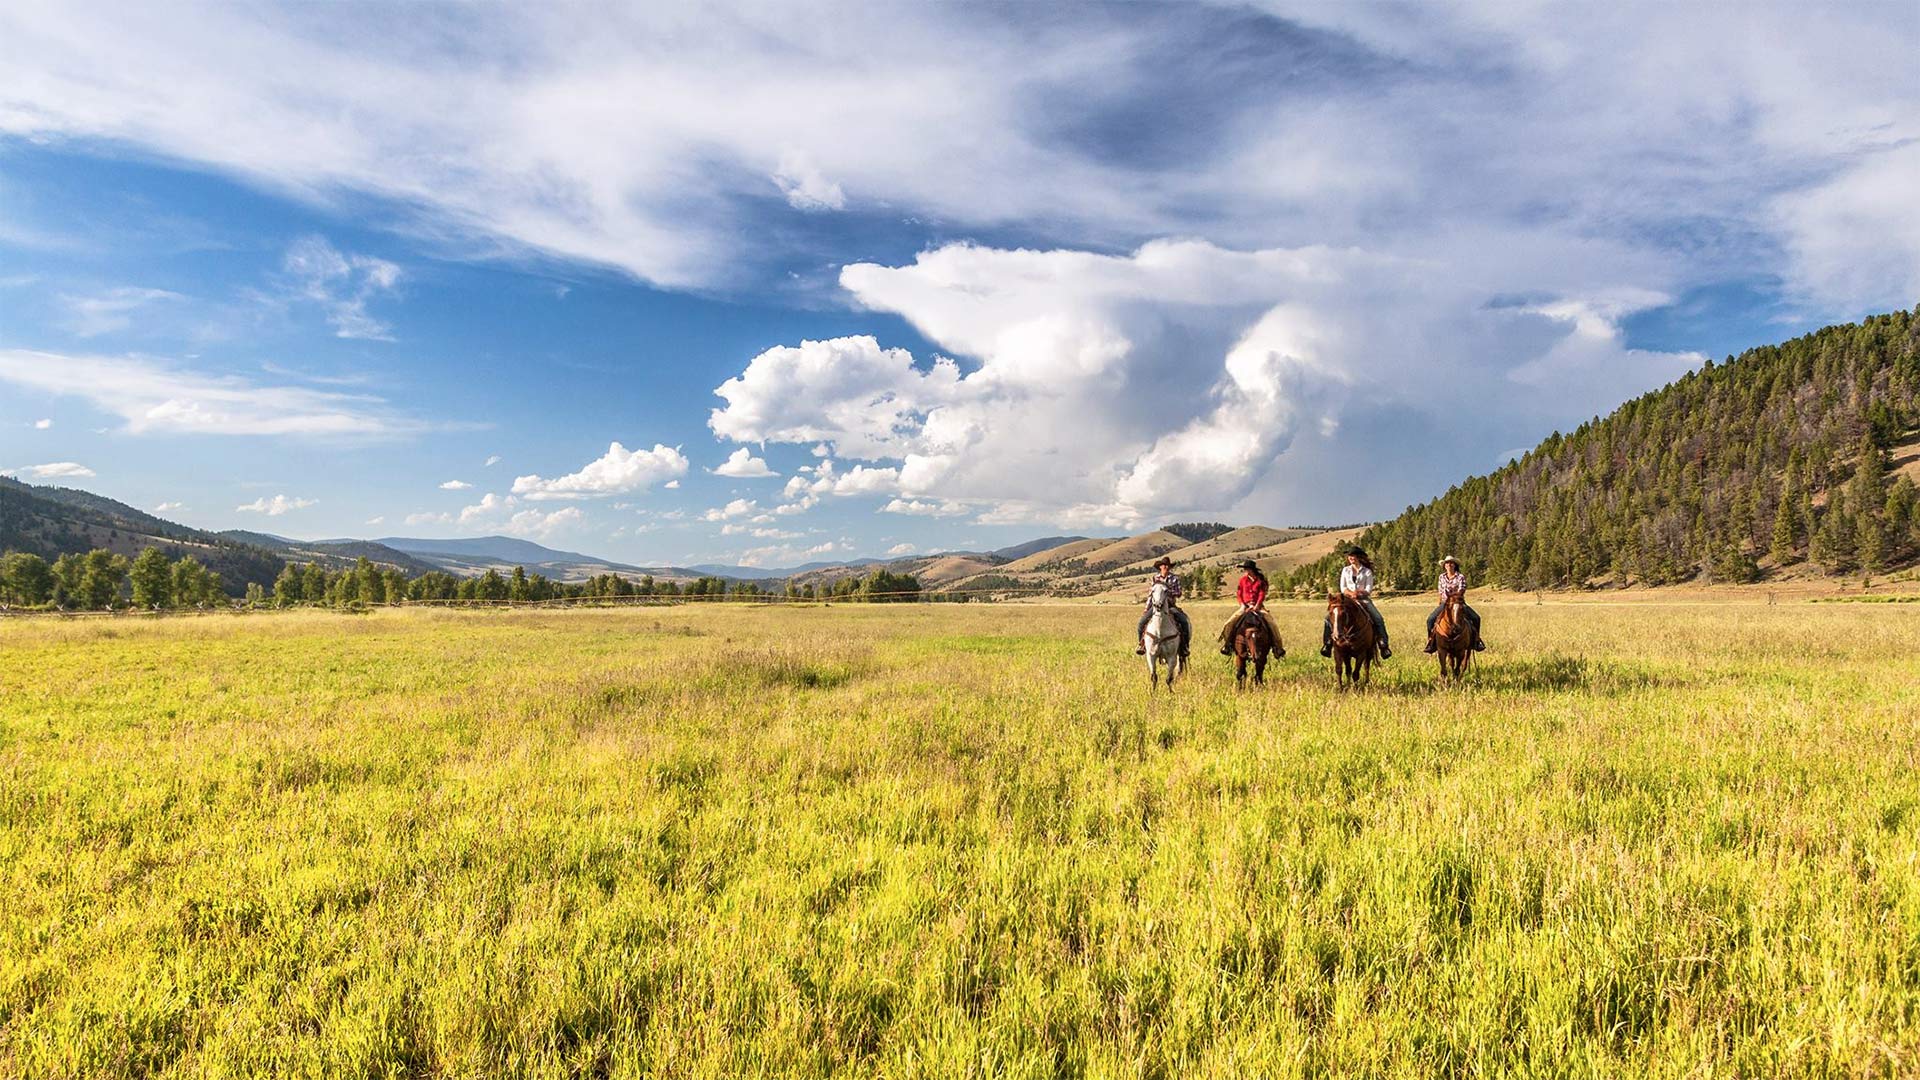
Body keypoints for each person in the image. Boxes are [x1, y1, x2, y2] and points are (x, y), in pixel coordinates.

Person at [1321, 546, 1390, 659]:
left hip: (1363, 599)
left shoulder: (1367, 572)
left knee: (1378, 618)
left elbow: (1368, 589)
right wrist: (1349, 593)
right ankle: (1327, 644)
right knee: (1328, 618)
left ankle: (1383, 645)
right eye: (1349, 556)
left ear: (1358, 557)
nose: (1351, 558)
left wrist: (1357, 593)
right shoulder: (1345, 570)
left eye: (1353, 555)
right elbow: (1343, 588)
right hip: (1346, 600)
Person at [1219, 559, 1283, 655]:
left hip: (1258, 606)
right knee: (1229, 622)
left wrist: (1257, 605)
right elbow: (1239, 594)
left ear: (1252, 569)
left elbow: (1262, 594)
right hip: (1245, 606)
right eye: (1245, 569)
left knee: (1272, 623)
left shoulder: (1260, 581)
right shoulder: (1242, 580)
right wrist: (1242, 605)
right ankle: (1227, 645)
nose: (1245, 571)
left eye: (1247, 569)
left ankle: (1278, 647)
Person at [1424, 555, 1486, 652]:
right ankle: (1431, 642)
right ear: (1444, 566)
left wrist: (1453, 595)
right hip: (1445, 603)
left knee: (1476, 618)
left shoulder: (1460, 577)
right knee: (1430, 619)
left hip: (1458, 602)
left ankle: (1477, 641)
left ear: (1455, 565)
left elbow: (1462, 589)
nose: (1449, 565)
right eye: (1447, 563)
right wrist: (1449, 596)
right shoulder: (1441, 577)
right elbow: (1441, 591)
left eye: (1451, 563)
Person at [1134, 555, 1191, 659]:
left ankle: (1184, 647)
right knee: (1141, 623)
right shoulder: (1155, 578)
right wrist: (1146, 608)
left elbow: (1179, 593)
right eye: (1164, 565)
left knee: (1184, 622)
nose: (1166, 567)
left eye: (1168, 565)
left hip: (1170, 605)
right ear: (1160, 567)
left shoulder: (1174, 578)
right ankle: (1141, 644)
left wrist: (1167, 591)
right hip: (1155, 606)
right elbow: (1150, 595)